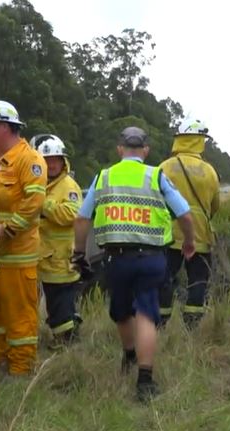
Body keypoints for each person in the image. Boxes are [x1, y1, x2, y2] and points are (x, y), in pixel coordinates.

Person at [73, 127, 196, 402]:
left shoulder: (103, 177)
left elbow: (82, 219)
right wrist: (189, 241)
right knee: (146, 313)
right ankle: (145, 380)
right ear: (146, 150)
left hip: (116, 258)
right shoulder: (156, 176)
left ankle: (129, 355)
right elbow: (185, 214)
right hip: (152, 258)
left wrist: (79, 252)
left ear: (119, 149)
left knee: (120, 311)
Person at [0, 100, 46, 376]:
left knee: (20, 317)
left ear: (5, 126)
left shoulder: (29, 160)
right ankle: (3, 359)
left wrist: (7, 230)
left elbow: (34, 202)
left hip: (18, 256)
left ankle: (21, 369)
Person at [157, 118, 220, 329]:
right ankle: (192, 326)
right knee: (198, 282)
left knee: (164, 280)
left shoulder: (164, 168)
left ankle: (160, 323)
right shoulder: (209, 171)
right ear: (199, 141)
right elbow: (215, 205)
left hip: (168, 237)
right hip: (200, 237)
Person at [33, 135, 83, 350]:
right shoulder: (40, 184)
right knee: (54, 305)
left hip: (61, 260)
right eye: (47, 160)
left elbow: (71, 214)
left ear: (63, 161)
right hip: (42, 258)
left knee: (60, 304)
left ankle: (66, 344)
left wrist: (44, 205)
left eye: (56, 159)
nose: (52, 164)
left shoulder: (68, 185)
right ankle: (63, 337)